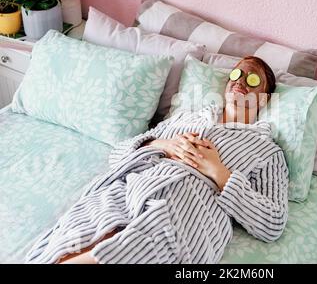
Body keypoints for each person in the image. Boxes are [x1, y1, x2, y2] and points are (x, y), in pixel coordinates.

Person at [26, 56, 289, 264]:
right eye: (236, 73)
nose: (240, 80)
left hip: (187, 209)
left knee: (129, 247)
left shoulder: (265, 150)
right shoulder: (187, 118)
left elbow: (273, 223)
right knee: (68, 242)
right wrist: (164, 145)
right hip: (132, 188)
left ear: (264, 98)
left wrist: (219, 173)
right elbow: (118, 154)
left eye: (252, 78)